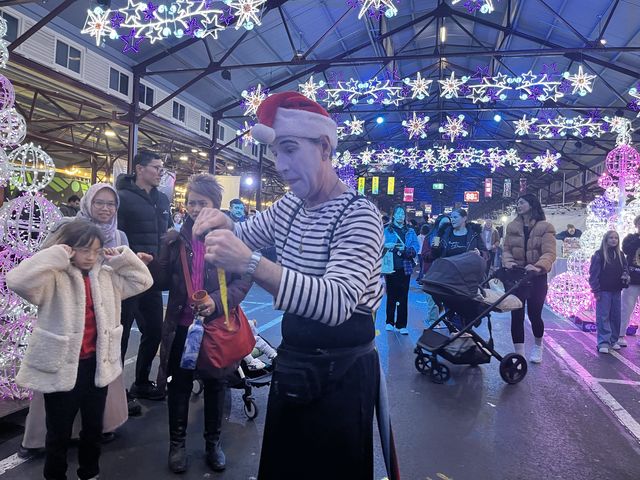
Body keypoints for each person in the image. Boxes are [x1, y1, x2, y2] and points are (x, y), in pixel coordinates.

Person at [192, 92, 386, 479]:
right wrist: (218, 222)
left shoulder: (359, 214)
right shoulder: (290, 206)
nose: (280, 165)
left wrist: (249, 262)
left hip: (342, 373)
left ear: (325, 146)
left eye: (290, 150)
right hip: (296, 359)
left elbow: (336, 303)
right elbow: (244, 232)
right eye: (276, 154)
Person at [6, 220, 152, 480]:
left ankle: (90, 473)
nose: (91, 256)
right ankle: (55, 476)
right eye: (85, 249)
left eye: (96, 250)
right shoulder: (53, 277)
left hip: (96, 366)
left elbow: (143, 280)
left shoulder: (107, 276)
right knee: (58, 433)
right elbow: (17, 281)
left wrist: (122, 257)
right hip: (60, 366)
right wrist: (56, 254)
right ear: (69, 248)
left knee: (93, 428)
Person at [147, 174, 251, 473]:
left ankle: (212, 443)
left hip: (215, 327)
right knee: (178, 386)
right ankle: (176, 445)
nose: (194, 208)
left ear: (215, 205)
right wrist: (155, 260)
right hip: (182, 325)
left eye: (201, 203)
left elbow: (244, 279)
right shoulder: (176, 237)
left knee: (216, 385)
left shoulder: (230, 238)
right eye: (191, 202)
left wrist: (217, 302)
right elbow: (163, 281)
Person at [117, 150, 172, 401]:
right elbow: (114, 237)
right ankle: (115, 392)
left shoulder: (162, 200)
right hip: (127, 278)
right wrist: (130, 257)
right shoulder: (122, 199)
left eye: (162, 168)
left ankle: (140, 382)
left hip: (152, 279)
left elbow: (167, 234)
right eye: (156, 167)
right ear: (140, 168)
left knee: (154, 330)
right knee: (122, 333)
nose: (161, 172)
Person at [502, 194, 556, 364]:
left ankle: (538, 346)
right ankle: (519, 353)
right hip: (516, 276)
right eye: (517, 203)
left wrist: (538, 266)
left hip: (536, 278)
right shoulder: (512, 226)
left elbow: (550, 252)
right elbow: (506, 249)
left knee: (534, 315)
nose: (518, 205)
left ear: (532, 205)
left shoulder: (545, 227)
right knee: (516, 314)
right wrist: (509, 262)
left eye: (522, 202)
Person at [589, 231, 630, 354]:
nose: (613, 240)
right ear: (606, 240)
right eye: (611, 238)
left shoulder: (620, 255)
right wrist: (595, 289)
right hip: (603, 291)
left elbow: (625, 268)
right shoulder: (599, 255)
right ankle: (603, 342)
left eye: (616, 238)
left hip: (616, 290)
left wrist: (625, 276)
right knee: (603, 316)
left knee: (615, 316)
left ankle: (613, 340)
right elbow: (594, 274)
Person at [383, 205, 420, 334]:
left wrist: (406, 250)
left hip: (405, 266)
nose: (400, 216)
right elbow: (379, 245)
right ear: (394, 215)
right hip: (390, 265)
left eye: (402, 214)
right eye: (398, 213)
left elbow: (416, 247)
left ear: (405, 217)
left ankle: (402, 324)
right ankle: (389, 322)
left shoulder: (410, 231)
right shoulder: (387, 230)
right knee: (391, 294)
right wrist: (386, 245)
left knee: (403, 295)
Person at [420, 215, 451, 326]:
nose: (446, 226)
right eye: (443, 224)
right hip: (432, 272)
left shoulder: (452, 238)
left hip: (447, 273)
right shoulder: (431, 237)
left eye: (448, 223)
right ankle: (433, 321)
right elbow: (425, 255)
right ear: (438, 224)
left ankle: (449, 321)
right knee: (432, 299)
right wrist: (434, 251)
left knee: (447, 300)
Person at [620, 215, 640, 346]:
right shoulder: (630, 238)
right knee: (626, 308)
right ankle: (620, 335)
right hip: (632, 279)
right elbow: (626, 249)